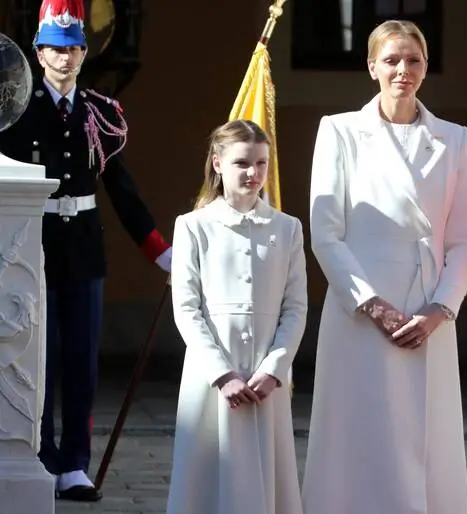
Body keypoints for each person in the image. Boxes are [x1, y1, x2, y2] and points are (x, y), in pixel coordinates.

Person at [302, 19, 467, 514]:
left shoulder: (454, 138)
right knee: (359, 428)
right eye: (393, 59)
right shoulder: (339, 130)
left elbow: (464, 238)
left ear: (426, 67)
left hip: (428, 305)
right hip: (360, 307)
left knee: (425, 436)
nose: (404, 70)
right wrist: (371, 304)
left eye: (414, 60)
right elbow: (325, 232)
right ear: (372, 66)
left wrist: (441, 307)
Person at [0, 0, 172, 501]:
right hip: (30, 246)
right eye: (55, 48)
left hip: (83, 248)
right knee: (37, 357)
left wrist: (158, 251)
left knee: (80, 358)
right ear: (37, 51)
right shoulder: (15, 107)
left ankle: (74, 462)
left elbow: (120, 187)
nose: (66, 57)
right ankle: (40, 453)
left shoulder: (100, 112)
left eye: (74, 47)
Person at [164, 120, 307, 514]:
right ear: (218, 163)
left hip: (266, 372)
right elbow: (187, 308)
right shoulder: (193, 226)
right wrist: (222, 374)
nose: (253, 173)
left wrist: (275, 367)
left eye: (261, 163)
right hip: (212, 373)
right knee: (207, 475)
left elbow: (295, 307)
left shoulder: (287, 229)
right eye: (242, 163)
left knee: (264, 474)